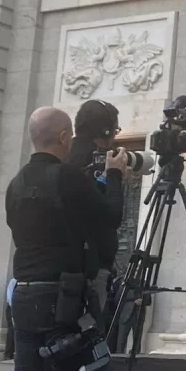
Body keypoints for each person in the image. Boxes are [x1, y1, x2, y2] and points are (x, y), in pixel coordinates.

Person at [6, 106, 127, 371]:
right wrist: (115, 175)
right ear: (63, 138)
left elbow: (16, 231)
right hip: (60, 296)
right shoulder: (67, 177)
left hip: (23, 293)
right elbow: (111, 216)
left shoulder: (16, 183)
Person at [66, 99, 125, 312]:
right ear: (106, 130)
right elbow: (111, 215)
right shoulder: (97, 161)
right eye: (115, 130)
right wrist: (115, 176)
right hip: (92, 265)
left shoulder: (64, 154)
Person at [4, 277, 17, 360]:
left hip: (19, 308)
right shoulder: (14, 281)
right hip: (12, 308)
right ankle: (8, 353)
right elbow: (9, 297)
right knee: (12, 329)